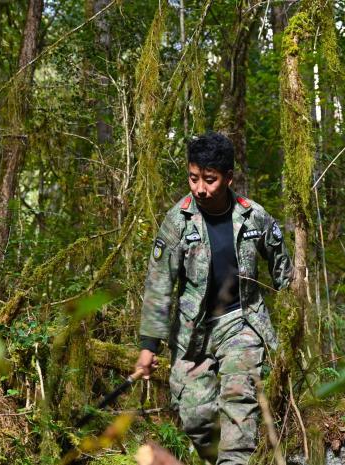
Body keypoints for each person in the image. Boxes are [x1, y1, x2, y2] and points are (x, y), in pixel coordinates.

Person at [134, 131, 293, 465]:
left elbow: (283, 269)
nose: (200, 189)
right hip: (193, 332)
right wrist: (149, 345)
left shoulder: (253, 216)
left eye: (209, 180)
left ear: (228, 178)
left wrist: (294, 314)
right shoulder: (177, 221)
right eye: (193, 178)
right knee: (196, 416)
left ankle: (235, 459)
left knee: (239, 401)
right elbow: (159, 283)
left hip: (241, 323)